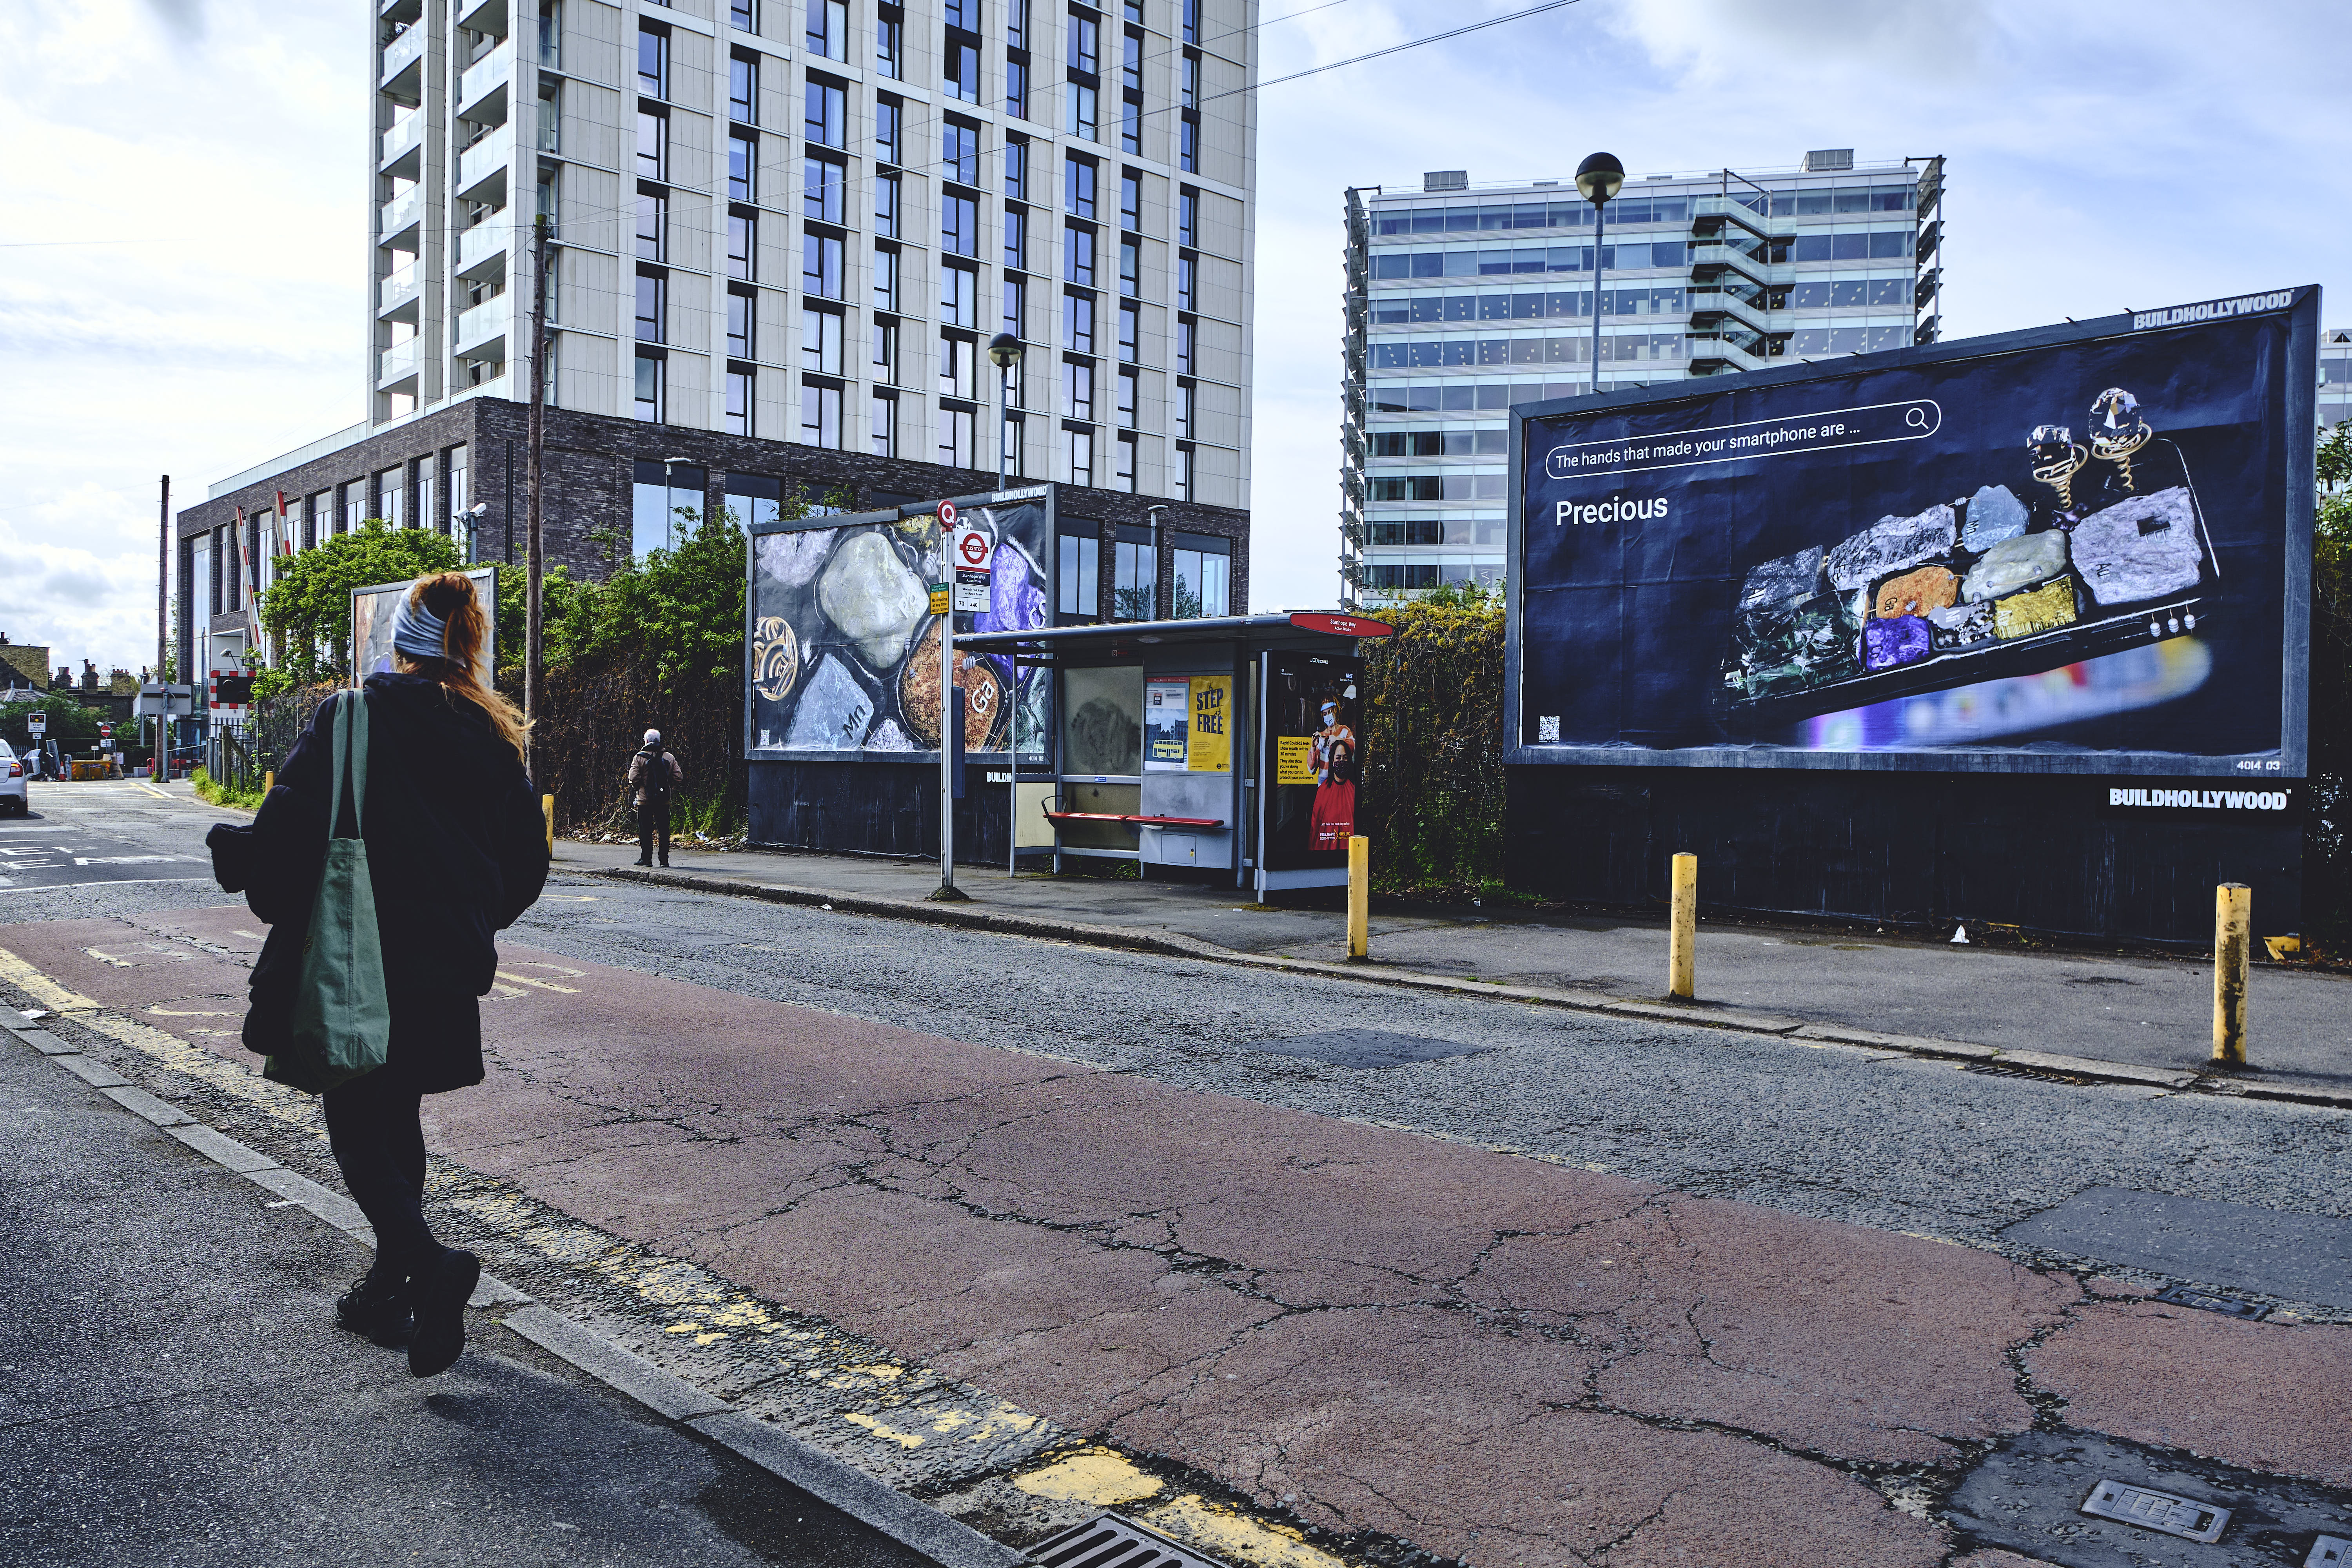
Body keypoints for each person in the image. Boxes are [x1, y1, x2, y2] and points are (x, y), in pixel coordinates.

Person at [207, 572, 548, 1378]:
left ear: (399, 643)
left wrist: (242, 859)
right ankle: (386, 1288)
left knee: (357, 1124)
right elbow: (526, 864)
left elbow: (288, 826)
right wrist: (472, 919)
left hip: (357, 961)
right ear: (464, 649)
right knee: (396, 1116)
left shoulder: (353, 715)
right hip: (444, 966)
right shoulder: (492, 735)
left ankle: (431, 1266)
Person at [627, 728, 683, 867]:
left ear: (646, 741)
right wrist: (668, 787)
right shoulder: (668, 757)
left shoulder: (639, 757)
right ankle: (664, 860)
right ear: (659, 741)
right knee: (664, 830)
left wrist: (641, 788)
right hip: (663, 800)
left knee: (645, 830)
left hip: (645, 800)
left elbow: (633, 777)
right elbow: (678, 776)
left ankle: (646, 859)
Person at [1308, 699, 1358, 852]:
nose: (1327, 716)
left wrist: (1339, 740)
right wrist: (1313, 748)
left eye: (1329, 712)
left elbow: (1353, 746)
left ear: (1335, 712)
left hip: (1342, 785)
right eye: (1324, 714)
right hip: (1325, 788)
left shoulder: (1345, 732)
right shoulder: (1322, 736)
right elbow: (1311, 768)